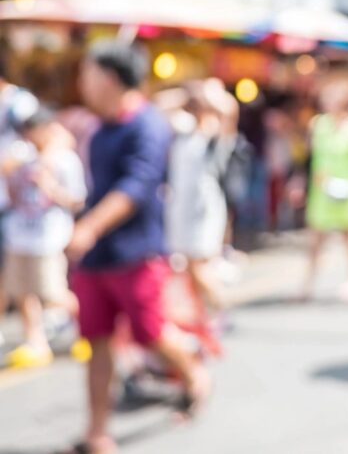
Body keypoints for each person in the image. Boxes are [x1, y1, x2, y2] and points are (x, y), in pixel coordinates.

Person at [65, 40, 209, 454]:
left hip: (137, 252)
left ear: (108, 78)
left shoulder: (148, 125)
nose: (82, 82)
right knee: (97, 344)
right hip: (96, 258)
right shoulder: (99, 127)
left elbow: (136, 185)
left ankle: (194, 373)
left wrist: (90, 225)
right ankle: (97, 433)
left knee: (150, 335)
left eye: (87, 72)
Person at [2, 106, 86, 368]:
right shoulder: (23, 154)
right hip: (20, 234)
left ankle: (90, 327)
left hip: (48, 236)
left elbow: (76, 200)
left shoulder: (65, 159)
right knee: (23, 291)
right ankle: (35, 342)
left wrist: (50, 185)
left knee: (52, 292)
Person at [165, 81, 235, 310]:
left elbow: (230, 109)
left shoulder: (214, 136)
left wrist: (208, 93)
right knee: (187, 267)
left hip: (202, 207)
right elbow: (156, 105)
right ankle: (204, 317)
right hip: (180, 206)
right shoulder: (182, 132)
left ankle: (222, 309)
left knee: (199, 266)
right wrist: (186, 93)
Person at [304, 81, 348, 302]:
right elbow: (310, 158)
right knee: (316, 239)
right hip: (321, 191)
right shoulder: (318, 125)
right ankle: (308, 284)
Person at [0, 71, 39, 348]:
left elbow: (39, 139)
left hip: (17, 205)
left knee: (16, 273)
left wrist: (11, 163)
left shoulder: (20, 103)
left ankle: (36, 335)